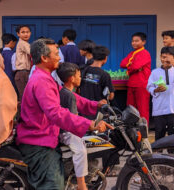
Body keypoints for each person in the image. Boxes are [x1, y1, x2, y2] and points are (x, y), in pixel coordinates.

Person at [16, 38, 112, 190]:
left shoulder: (46, 78)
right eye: (56, 54)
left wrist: (96, 105)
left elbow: (70, 96)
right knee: (54, 186)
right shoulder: (42, 81)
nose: (59, 57)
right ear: (44, 58)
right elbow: (56, 113)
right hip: (39, 141)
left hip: (46, 136)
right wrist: (90, 124)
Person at [57, 62, 106, 190]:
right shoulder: (68, 95)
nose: (81, 78)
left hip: (65, 129)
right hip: (65, 131)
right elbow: (73, 120)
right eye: (79, 76)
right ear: (72, 79)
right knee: (81, 150)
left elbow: (83, 103)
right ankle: (81, 184)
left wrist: (97, 104)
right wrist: (92, 125)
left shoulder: (66, 92)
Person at [147, 47, 174, 140]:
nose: (165, 60)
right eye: (163, 57)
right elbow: (149, 87)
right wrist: (156, 90)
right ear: (160, 57)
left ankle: (172, 153)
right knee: (159, 132)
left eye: (168, 58)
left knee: (172, 132)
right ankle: (157, 153)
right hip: (159, 107)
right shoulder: (155, 72)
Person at [120, 32, 151, 123]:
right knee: (130, 108)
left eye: (137, 41)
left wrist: (130, 67)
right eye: (133, 41)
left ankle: (144, 130)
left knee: (142, 109)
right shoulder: (132, 53)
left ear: (143, 42)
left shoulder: (145, 53)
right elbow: (122, 64)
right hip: (131, 84)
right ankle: (131, 130)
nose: (134, 43)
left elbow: (135, 66)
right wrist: (133, 66)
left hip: (142, 84)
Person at [80, 45, 115, 119]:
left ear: (92, 56)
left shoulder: (83, 71)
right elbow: (111, 96)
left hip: (83, 110)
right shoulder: (105, 75)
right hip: (98, 112)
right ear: (105, 58)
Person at [15, 25, 31, 102]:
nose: (25, 34)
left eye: (27, 32)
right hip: (23, 73)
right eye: (23, 32)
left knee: (25, 97)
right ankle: (23, 114)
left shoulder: (25, 43)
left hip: (24, 73)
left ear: (30, 33)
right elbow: (33, 52)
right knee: (25, 98)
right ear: (18, 34)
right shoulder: (23, 43)